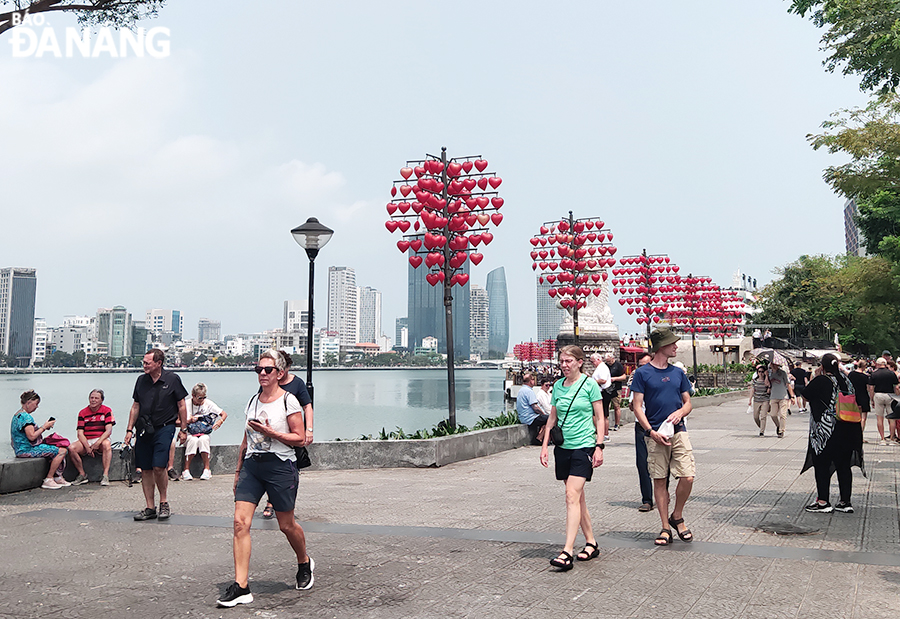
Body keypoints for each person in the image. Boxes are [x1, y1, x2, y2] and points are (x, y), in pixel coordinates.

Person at [217, 350, 313, 608]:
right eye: (258, 369)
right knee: (240, 522)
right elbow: (246, 438)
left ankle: (304, 561)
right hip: (253, 466)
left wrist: (271, 432)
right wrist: (238, 471)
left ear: (279, 373)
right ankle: (241, 586)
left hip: (280, 466)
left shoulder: (288, 401)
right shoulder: (253, 401)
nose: (261, 373)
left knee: (286, 525)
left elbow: (300, 437)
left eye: (267, 370)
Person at [539, 345, 604, 572]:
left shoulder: (589, 385)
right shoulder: (557, 386)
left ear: (579, 362)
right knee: (577, 498)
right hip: (563, 447)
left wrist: (599, 446)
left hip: (584, 446)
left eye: (568, 361)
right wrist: (545, 445)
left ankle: (567, 551)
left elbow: (600, 417)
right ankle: (591, 542)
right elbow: (552, 418)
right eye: (562, 361)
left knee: (571, 495)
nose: (564, 365)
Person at [631, 328, 695, 546]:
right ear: (661, 347)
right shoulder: (642, 373)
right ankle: (665, 527)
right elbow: (637, 407)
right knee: (659, 480)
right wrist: (650, 431)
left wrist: (680, 412)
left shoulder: (678, 373)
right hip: (655, 433)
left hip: (678, 431)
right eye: (672, 343)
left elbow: (688, 403)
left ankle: (677, 515)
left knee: (688, 476)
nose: (676, 346)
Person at [124, 349, 189, 522]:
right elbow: (135, 406)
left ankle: (164, 502)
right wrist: (129, 429)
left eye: (147, 363)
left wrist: (183, 429)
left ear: (158, 363)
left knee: (159, 466)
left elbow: (181, 405)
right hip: (144, 428)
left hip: (165, 427)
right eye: (144, 362)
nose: (144, 366)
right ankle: (149, 506)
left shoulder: (172, 379)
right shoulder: (141, 381)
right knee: (145, 468)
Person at [802, 353, 865, 513]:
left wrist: (815, 376)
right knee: (844, 466)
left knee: (822, 464)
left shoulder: (822, 380)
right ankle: (845, 502)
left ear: (822, 366)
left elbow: (806, 395)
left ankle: (823, 502)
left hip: (827, 432)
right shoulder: (846, 380)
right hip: (848, 429)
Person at [260, 350, 314, 520]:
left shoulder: (297, 383)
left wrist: (309, 430)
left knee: (291, 470)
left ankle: (286, 505)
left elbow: (307, 406)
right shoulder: (267, 382)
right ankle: (271, 502)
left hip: (292, 435)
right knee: (270, 468)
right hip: (270, 434)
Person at [10, 390, 70, 489]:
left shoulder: (18, 415)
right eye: (36, 404)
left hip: (20, 448)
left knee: (55, 447)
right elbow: (32, 436)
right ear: (29, 403)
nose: (37, 406)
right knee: (62, 451)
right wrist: (44, 427)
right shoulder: (26, 418)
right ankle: (49, 478)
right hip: (26, 450)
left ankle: (57, 477)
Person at [182, 383, 227, 481]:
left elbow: (223, 414)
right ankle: (186, 469)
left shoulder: (208, 403)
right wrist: (188, 421)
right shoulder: (186, 404)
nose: (202, 400)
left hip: (203, 432)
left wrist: (220, 421)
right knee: (193, 440)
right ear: (193, 396)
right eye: (199, 398)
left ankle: (207, 469)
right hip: (189, 432)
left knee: (204, 439)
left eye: (204, 397)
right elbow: (178, 420)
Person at [69, 389, 115, 486]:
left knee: (107, 444)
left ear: (101, 400)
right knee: (72, 448)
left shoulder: (107, 411)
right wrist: (87, 447)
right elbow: (80, 433)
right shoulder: (82, 412)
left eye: (96, 398)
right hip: (87, 439)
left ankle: (105, 475)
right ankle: (82, 474)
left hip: (101, 438)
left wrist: (98, 443)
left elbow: (108, 431)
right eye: (91, 398)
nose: (93, 400)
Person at [630, 352, 654, 511]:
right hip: (641, 426)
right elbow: (632, 406)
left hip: (657, 425)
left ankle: (662, 494)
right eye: (640, 366)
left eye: (646, 365)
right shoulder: (637, 381)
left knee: (661, 464)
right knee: (642, 463)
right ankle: (647, 499)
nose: (643, 369)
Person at [867, 357, 899, 444]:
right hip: (890, 395)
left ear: (877, 364)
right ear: (885, 364)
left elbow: (871, 388)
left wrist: (872, 399)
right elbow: (896, 386)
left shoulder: (874, 374)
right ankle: (892, 438)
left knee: (879, 418)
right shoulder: (891, 374)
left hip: (878, 395)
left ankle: (882, 439)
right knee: (892, 418)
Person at [516, 371, 549, 445]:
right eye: (533, 379)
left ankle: (540, 436)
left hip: (523, 417)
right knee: (550, 419)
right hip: (530, 418)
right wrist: (543, 414)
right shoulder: (529, 391)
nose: (534, 381)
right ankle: (539, 438)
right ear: (530, 381)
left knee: (545, 420)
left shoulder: (521, 390)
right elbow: (535, 407)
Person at [767, 361, 796, 438]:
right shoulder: (769, 373)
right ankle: (778, 426)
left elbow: (788, 384)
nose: (773, 366)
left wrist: (792, 396)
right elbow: (767, 384)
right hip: (773, 396)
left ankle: (781, 431)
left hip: (783, 396)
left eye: (775, 364)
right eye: (772, 364)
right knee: (773, 414)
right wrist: (766, 376)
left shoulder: (783, 373)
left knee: (782, 415)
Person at [848, 360, 872, 442]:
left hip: (853, 397)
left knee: (853, 417)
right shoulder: (865, 377)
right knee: (863, 418)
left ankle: (852, 435)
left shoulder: (851, 374)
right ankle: (860, 436)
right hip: (863, 397)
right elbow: (868, 388)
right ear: (864, 367)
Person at [590, 352, 612, 441]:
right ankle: (602, 433)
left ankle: (603, 433)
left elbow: (603, 380)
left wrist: (592, 382)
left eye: (593, 362)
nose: (592, 364)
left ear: (598, 360)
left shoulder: (602, 368)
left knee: (600, 414)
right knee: (601, 414)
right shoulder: (600, 367)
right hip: (602, 391)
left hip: (604, 392)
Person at [748, 365, 772, 436]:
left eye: (762, 372)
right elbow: (752, 390)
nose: (760, 373)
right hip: (756, 400)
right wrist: (750, 399)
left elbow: (768, 385)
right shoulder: (755, 381)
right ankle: (761, 426)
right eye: (759, 372)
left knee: (763, 416)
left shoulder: (767, 380)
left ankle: (762, 431)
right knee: (755, 417)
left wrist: (767, 376)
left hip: (765, 400)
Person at [605, 352, 627, 431]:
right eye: (607, 361)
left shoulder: (618, 365)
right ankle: (606, 424)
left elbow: (624, 376)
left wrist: (615, 379)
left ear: (613, 358)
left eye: (610, 361)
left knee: (616, 406)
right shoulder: (605, 366)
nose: (609, 363)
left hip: (616, 388)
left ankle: (617, 424)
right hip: (607, 389)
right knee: (606, 406)